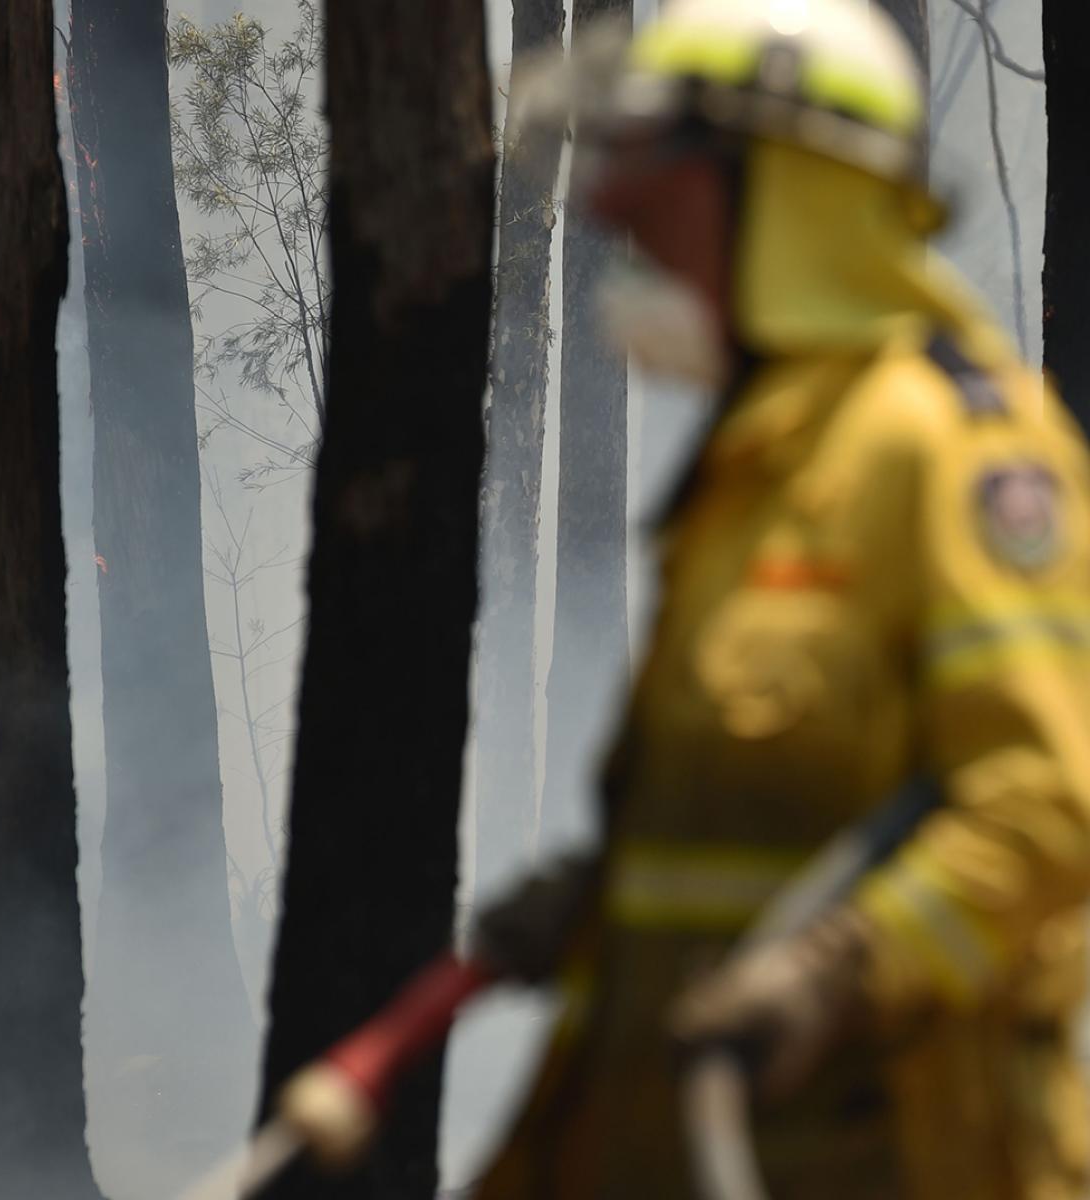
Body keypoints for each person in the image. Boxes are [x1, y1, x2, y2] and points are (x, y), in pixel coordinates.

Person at [462, 1, 1090, 1198]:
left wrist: (843, 969)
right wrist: (609, 904)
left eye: (663, 178)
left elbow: (1049, 809)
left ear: (786, 193)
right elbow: (773, 828)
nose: (615, 212)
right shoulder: (757, 472)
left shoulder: (951, 453)